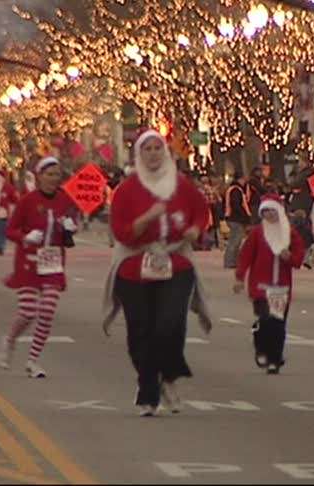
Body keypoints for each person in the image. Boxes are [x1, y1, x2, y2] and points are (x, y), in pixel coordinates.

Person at [102, 130, 212, 417]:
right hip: (135, 264)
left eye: (157, 148)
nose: (153, 153)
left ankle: (169, 376)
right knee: (141, 330)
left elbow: (201, 212)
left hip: (175, 261)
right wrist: (146, 219)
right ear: (139, 154)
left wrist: (195, 229)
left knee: (170, 323)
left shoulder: (181, 185)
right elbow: (120, 232)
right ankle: (148, 389)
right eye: (147, 149)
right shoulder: (126, 190)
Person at [0, 157, 78, 378]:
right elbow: (10, 230)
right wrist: (26, 237)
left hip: (52, 262)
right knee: (28, 312)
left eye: (56, 175)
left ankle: (33, 360)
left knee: (48, 311)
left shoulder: (64, 200)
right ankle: (10, 340)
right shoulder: (27, 201)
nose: (53, 179)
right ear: (39, 176)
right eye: (49, 174)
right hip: (29, 262)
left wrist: (69, 228)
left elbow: (69, 231)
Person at [234, 194, 305, 374]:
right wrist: (239, 278)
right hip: (260, 287)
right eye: (266, 212)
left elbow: (298, 255)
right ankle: (261, 348)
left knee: (278, 324)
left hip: (281, 287)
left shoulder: (289, 232)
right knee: (265, 321)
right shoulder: (257, 233)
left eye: (273, 211)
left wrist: (290, 258)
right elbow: (246, 256)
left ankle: (275, 359)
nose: (270, 215)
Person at [223, 172, 251, 269]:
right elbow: (236, 205)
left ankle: (232, 261)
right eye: (244, 180)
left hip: (232, 217)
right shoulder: (236, 190)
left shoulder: (232, 189)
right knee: (235, 240)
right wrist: (244, 216)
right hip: (235, 218)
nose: (245, 182)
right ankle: (230, 262)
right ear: (240, 179)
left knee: (234, 240)